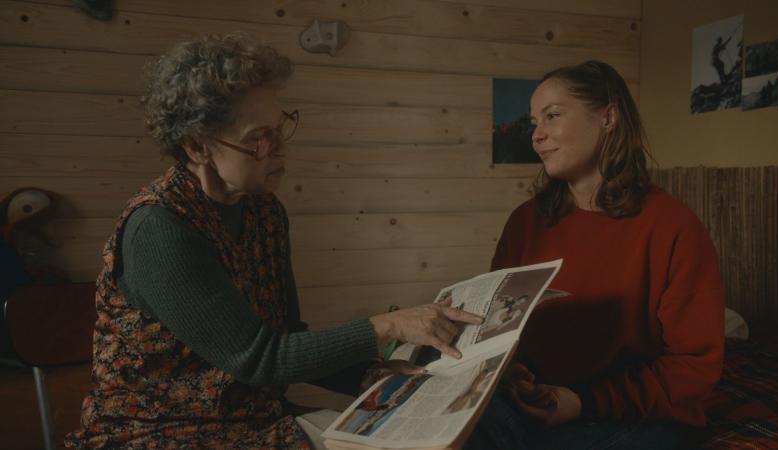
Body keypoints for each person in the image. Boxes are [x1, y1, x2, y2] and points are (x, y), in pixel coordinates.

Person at [64, 33, 481, 449]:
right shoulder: (159, 228)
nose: (279, 150)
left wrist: (368, 376)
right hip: (160, 432)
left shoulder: (264, 211)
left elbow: (288, 335)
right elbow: (260, 358)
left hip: (251, 418)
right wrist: (388, 325)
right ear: (196, 146)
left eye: (281, 129)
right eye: (257, 138)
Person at [464, 60, 724, 449]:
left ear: (608, 117)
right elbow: (500, 330)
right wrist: (512, 371)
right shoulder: (524, 222)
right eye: (534, 122)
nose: (537, 135)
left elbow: (694, 368)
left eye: (552, 115)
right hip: (530, 402)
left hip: (623, 411)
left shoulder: (674, 226)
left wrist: (583, 402)